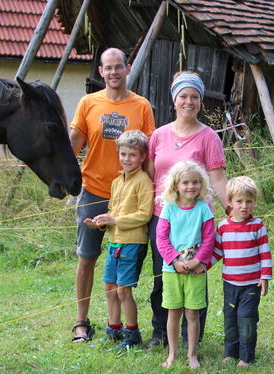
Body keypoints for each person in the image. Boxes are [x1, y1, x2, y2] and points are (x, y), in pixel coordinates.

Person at [69, 47, 155, 343]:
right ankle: (81, 322)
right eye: (108, 67)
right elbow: (73, 144)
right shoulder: (88, 103)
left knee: (128, 259)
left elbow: (150, 152)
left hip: (131, 195)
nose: (114, 72)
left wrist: (154, 190)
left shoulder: (141, 105)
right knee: (87, 257)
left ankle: (127, 325)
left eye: (119, 66)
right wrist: (64, 180)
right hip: (93, 189)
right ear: (101, 72)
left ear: (127, 69)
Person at [145, 71, 228, 348]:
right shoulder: (158, 136)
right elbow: (148, 175)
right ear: (174, 100)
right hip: (163, 219)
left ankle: (192, 334)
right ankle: (160, 332)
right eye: (183, 96)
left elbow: (217, 178)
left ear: (200, 102)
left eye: (194, 97)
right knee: (163, 275)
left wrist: (232, 210)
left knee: (194, 274)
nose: (188, 102)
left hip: (196, 220)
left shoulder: (209, 137)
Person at [82, 130, 153, 350]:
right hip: (115, 242)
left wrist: (114, 219)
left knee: (124, 291)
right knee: (110, 288)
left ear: (142, 157)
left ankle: (132, 335)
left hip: (133, 243)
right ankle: (114, 330)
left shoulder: (143, 181)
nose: (127, 159)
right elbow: (113, 211)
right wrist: (101, 223)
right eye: (123, 154)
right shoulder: (116, 181)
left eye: (133, 155)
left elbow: (144, 214)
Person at [155, 160, 215, 368]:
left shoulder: (204, 209)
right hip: (172, 270)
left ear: (201, 184)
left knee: (192, 313)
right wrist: (175, 261)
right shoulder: (169, 209)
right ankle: (172, 353)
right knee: (174, 311)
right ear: (176, 186)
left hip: (196, 270)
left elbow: (209, 239)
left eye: (196, 182)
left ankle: (192, 354)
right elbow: (161, 239)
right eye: (186, 182)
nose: (191, 186)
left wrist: (198, 261)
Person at [210, 176, 272, 367]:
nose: (244, 206)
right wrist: (202, 266)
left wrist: (265, 277)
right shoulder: (222, 227)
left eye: (249, 201)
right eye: (239, 201)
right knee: (230, 319)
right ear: (229, 202)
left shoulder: (257, 225)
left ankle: (246, 356)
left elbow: (265, 253)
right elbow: (218, 252)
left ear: (254, 202)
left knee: (246, 319)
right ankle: (230, 352)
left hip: (251, 284)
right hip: (230, 283)